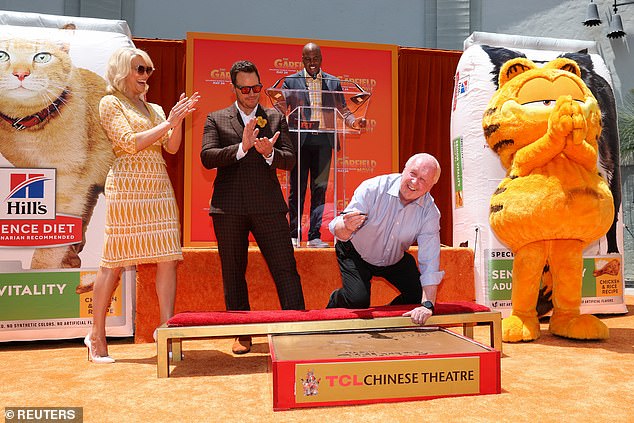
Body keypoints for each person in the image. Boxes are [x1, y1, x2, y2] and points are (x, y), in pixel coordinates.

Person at [85, 47, 199, 363]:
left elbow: (172, 148)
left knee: (167, 258)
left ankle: (166, 331)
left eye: (149, 70)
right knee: (113, 263)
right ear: (123, 71)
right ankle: (96, 336)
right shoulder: (110, 103)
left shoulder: (157, 109)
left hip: (157, 186)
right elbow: (130, 143)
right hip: (127, 186)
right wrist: (169, 122)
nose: (146, 76)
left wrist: (178, 121)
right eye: (140, 69)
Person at [201, 60, 305, 354]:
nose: (251, 93)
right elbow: (207, 157)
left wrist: (271, 152)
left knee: (285, 269)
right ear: (233, 89)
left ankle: (295, 328)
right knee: (233, 270)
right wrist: (242, 148)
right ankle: (242, 333)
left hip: (268, 206)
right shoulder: (216, 118)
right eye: (245, 88)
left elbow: (290, 159)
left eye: (256, 87)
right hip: (228, 208)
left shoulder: (274, 118)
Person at [326, 153, 445, 326]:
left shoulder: (430, 212)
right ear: (404, 169)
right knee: (358, 300)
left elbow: (430, 259)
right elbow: (339, 230)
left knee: (419, 296)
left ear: (431, 186)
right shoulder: (373, 188)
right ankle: (337, 298)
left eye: (423, 180)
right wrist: (346, 226)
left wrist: (427, 305)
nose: (414, 182)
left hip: (394, 257)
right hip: (355, 251)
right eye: (413, 174)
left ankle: (390, 320)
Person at [283, 42, 366, 248]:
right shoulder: (291, 81)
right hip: (300, 142)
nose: (312, 63)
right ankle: (293, 234)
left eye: (315, 59)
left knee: (319, 190)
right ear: (302, 60)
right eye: (308, 59)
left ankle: (314, 236)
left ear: (321, 59)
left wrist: (354, 122)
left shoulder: (333, 82)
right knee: (297, 191)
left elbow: (343, 109)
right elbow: (279, 107)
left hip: (323, 141)